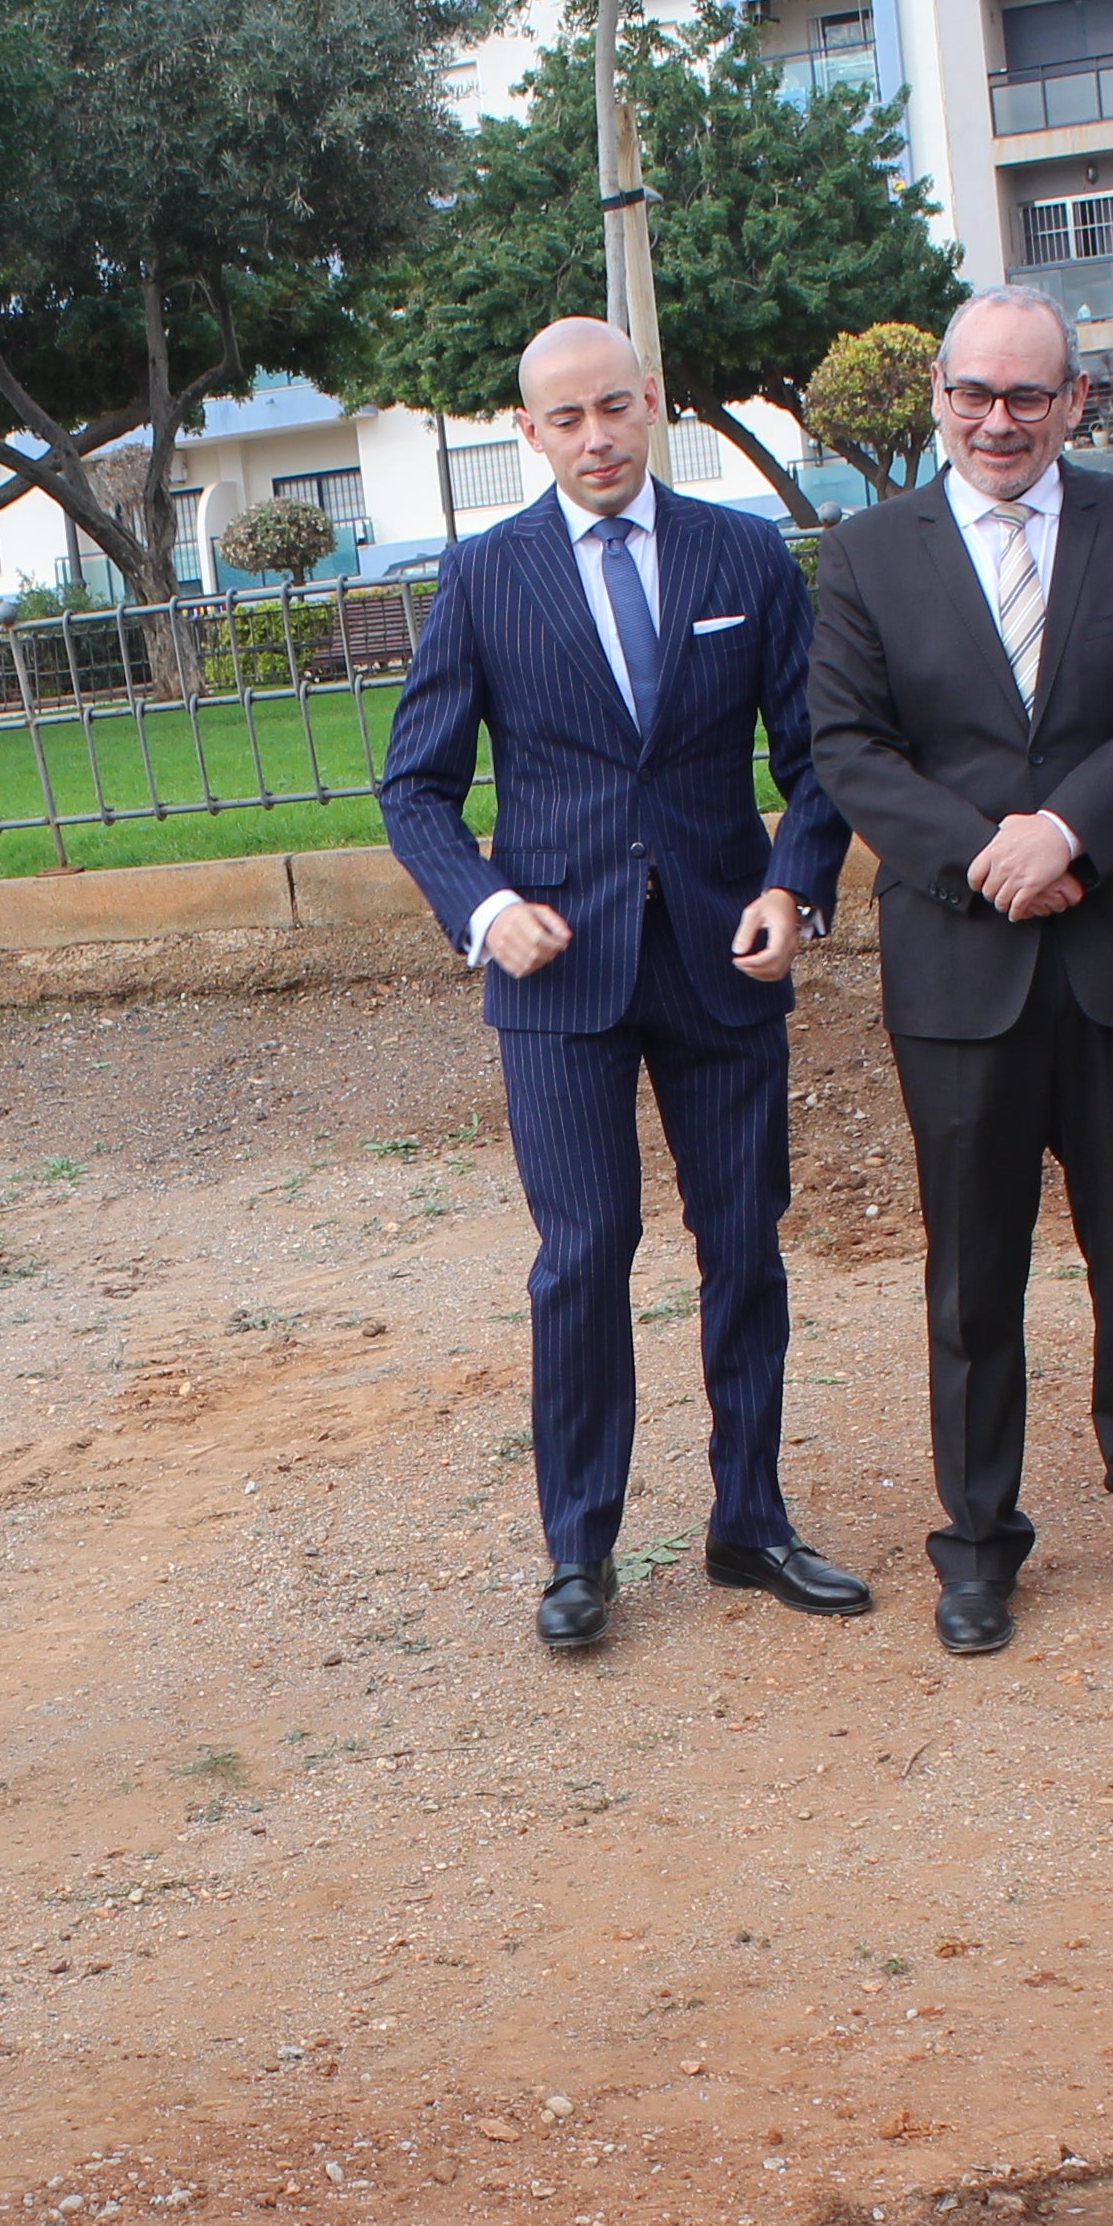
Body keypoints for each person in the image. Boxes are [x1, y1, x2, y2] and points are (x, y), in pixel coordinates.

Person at [377, 316, 864, 1652]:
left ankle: (749, 1520)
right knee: (583, 1258)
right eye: (565, 419)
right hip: (560, 973)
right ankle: (580, 1550)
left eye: (614, 408)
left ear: (651, 405)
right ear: (527, 433)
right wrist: (482, 908)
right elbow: (414, 788)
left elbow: (816, 757)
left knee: (742, 1246)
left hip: (722, 952)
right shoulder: (485, 579)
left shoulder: (742, 555)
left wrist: (793, 884)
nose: (595, 438)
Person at [808, 286, 1113, 1657]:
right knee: (971, 1276)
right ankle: (978, 1544)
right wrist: (992, 854)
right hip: (960, 966)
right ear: (937, 394)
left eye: (1028, 397)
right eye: (973, 395)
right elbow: (849, 746)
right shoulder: (870, 553)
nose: (999, 421)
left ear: (1076, 402)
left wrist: (1073, 836)